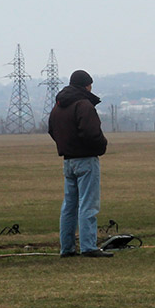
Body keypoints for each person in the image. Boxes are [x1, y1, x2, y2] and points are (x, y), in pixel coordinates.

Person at [47, 69, 112, 258]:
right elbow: (91, 132)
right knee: (88, 204)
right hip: (86, 159)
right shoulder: (83, 104)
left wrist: (66, 145)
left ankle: (67, 248)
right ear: (86, 85)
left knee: (69, 205)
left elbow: (52, 130)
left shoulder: (58, 105)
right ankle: (88, 246)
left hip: (68, 161)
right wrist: (101, 146)